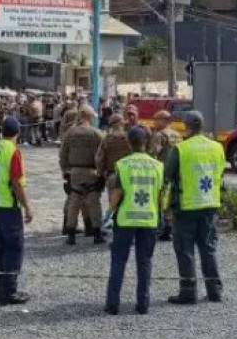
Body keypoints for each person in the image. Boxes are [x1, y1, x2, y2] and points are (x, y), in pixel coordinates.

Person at [165, 111, 226, 305]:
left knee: (185, 250)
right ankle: (214, 291)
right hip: (209, 204)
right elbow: (221, 173)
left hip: (186, 206)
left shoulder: (181, 149)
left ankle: (188, 292)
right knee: (208, 249)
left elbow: (167, 174)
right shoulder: (217, 148)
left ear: (186, 126)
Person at [105, 126, 165, 315]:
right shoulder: (158, 165)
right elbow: (160, 194)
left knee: (118, 261)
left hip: (125, 219)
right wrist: (162, 215)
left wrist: (109, 213)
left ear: (129, 143)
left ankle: (113, 304)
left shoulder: (122, 164)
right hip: (149, 219)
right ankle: (143, 304)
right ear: (146, 142)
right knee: (145, 261)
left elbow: (118, 193)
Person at [0, 117, 34, 305]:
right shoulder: (13, 152)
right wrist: (27, 207)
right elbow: (16, 182)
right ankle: (10, 291)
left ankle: (2, 289)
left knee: (1, 247)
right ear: (18, 132)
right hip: (9, 204)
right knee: (14, 248)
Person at [60, 106, 106, 245]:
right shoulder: (95, 133)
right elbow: (101, 156)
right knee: (94, 203)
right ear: (88, 116)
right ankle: (96, 234)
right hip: (91, 172)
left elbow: (63, 154)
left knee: (74, 203)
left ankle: (71, 235)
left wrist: (65, 171)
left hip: (74, 172)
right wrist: (101, 174)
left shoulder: (70, 132)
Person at [149, 111, 182, 241]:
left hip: (162, 172)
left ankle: (161, 228)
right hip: (176, 172)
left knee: (159, 200)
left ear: (164, 120)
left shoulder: (159, 135)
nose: (155, 123)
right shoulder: (177, 135)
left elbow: (153, 154)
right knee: (171, 199)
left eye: (157, 120)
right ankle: (170, 227)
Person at [96, 114, 132, 184]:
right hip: (127, 174)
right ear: (120, 122)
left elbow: (99, 158)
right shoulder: (128, 137)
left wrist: (100, 173)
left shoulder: (106, 139)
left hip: (112, 174)